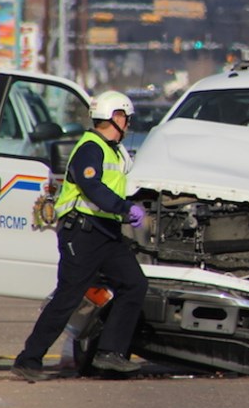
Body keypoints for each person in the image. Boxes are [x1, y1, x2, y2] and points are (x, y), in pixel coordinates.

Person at [12, 91, 148, 382]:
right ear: (116, 117)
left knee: (134, 284)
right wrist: (125, 208)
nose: (129, 124)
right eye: (127, 117)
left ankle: (110, 353)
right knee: (68, 297)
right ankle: (29, 359)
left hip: (106, 233)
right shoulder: (91, 147)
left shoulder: (114, 150)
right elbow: (91, 186)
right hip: (83, 234)